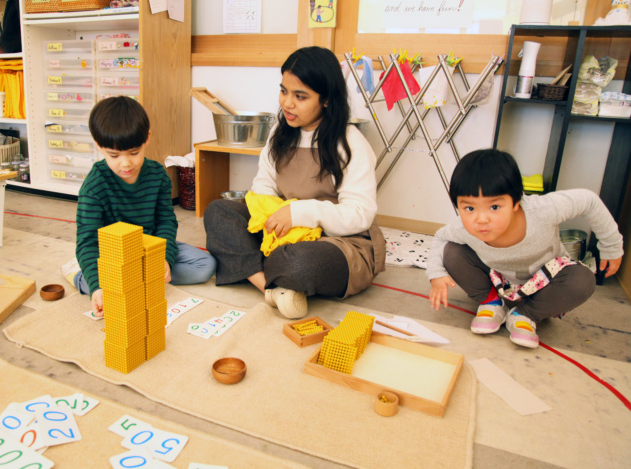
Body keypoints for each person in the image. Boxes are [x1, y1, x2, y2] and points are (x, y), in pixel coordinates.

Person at [204, 46, 385, 319]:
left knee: (297, 262)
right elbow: (263, 187)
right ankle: (269, 287)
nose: (287, 103)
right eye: (284, 91)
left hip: (336, 241)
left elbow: (359, 215)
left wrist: (299, 213)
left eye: (300, 96)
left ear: (326, 99)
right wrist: (271, 220)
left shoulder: (350, 142)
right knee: (219, 212)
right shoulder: (280, 132)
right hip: (282, 229)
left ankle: (267, 269)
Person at [427, 149, 623, 348]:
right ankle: (491, 303)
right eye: (469, 208)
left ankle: (525, 315)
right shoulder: (462, 227)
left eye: (494, 207)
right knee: (451, 251)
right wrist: (436, 274)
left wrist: (611, 245)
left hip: (548, 283)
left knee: (583, 280)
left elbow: (588, 200)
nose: (481, 219)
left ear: (516, 201)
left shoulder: (544, 210)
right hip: (499, 281)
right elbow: (440, 238)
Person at [63, 96, 216, 317]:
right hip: (113, 258)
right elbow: (87, 241)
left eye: (134, 153)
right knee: (100, 288)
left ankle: (134, 280)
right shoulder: (94, 186)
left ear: (147, 138)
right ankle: (80, 275)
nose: (126, 164)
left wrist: (165, 259)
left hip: (149, 249)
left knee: (205, 265)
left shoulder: (157, 175)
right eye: (114, 155)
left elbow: (165, 221)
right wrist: (98, 287)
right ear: (99, 146)